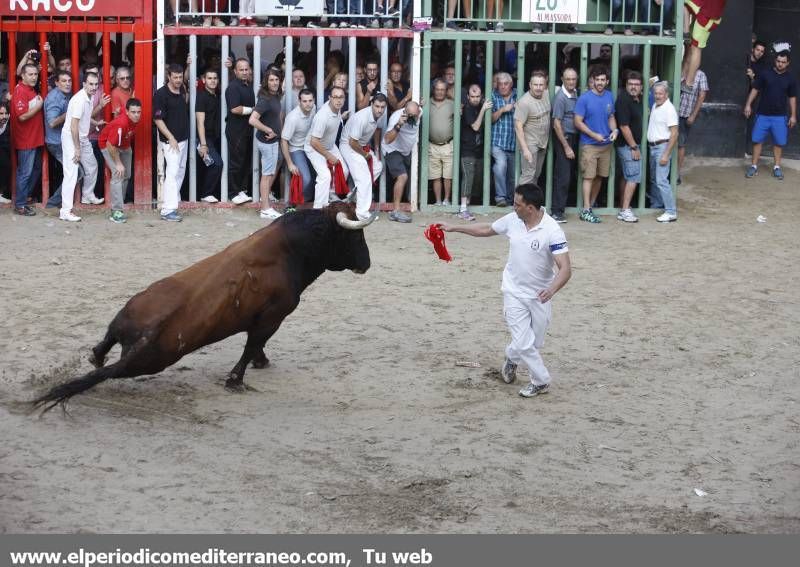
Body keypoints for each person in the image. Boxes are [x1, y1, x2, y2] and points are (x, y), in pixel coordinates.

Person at [440, 183, 571, 398]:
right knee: (524, 342)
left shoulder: (552, 231)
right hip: (513, 292)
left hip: (540, 296)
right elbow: (486, 229)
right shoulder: (513, 220)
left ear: (530, 208)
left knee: (533, 343)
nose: (513, 207)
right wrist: (454, 227)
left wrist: (552, 289)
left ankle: (511, 358)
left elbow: (565, 268)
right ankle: (541, 381)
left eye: (517, 204)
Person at [574, 66, 618, 224]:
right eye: (597, 80)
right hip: (590, 145)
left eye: (602, 80)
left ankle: (590, 207)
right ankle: (586, 209)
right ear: (592, 80)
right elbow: (577, 122)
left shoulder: (609, 96)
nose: (600, 82)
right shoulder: (584, 99)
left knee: (600, 176)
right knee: (588, 177)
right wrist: (593, 135)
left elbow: (611, 116)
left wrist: (615, 130)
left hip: (606, 144)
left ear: (607, 81)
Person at [744, 51, 797, 181]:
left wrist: (793, 115)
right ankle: (754, 166)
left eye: (783, 62)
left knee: (778, 143)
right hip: (762, 114)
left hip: (780, 117)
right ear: (775, 61)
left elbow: (792, 98)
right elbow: (755, 90)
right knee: (757, 141)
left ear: (788, 63)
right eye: (778, 61)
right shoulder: (765, 74)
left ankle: (777, 168)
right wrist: (748, 105)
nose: (780, 64)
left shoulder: (790, 78)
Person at [59, 71, 102, 222]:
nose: (94, 87)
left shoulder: (89, 98)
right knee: (71, 174)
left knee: (92, 166)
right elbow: (73, 127)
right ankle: (65, 211)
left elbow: (85, 118)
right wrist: (77, 148)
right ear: (84, 84)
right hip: (72, 137)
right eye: (90, 84)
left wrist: (96, 123)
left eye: (96, 84)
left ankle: (87, 195)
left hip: (81, 137)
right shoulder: (79, 100)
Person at [340, 93, 387, 221]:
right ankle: (362, 213)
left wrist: (374, 150)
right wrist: (365, 154)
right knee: (364, 178)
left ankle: (355, 194)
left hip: (360, 145)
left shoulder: (379, 115)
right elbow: (352, 142)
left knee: (378, 167)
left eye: (382, 107)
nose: (379, 110)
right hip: (349, 146)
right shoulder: (362, 117)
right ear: (371, 104)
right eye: (377, 106)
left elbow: (376, 130)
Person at [153, 63, 189, 222]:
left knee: (180, 171)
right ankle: (167, 210)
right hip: (170, 141)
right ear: (168, 77)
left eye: (180, 77)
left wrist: (187, 65)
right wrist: (171, 137)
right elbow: (158, 120)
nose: (178, 80)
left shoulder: (182, 89)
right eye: (175, 77)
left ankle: (173, 203)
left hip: (183, 139)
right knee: (172, 173)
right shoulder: (161, 95)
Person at [10, 63, 45, 216]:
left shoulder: (30, 90)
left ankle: (24, 198)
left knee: (35, 169)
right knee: (25, 172)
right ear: (22, 76)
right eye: (30, 74)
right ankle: (20, 205)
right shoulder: (20, 91)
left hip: (34, 138)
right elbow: (22, 116)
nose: (33, 77)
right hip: (26, 140)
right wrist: (39, 106)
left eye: (35, 74)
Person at [249, 68, 284, 220]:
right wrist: (268, 129)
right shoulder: (265, 99)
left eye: (276, 79)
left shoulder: (275, 95)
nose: (274, 82)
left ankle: (266, 204)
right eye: (271, 80)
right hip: (267, 142)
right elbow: (252, 119)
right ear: (266, 82)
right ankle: (265, 208)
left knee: (269, 174)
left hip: (273, 141)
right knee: (267, 175)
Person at [99, 98, 142, 223]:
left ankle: (119, 204)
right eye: (133, 112)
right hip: (108, 145)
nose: (136, 115)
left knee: (127, 175)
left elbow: (122, 107)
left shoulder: (127, 112)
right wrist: (118, 163)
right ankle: (116, 211)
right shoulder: (121, 123)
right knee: (118, 174)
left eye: (139, 112)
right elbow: (110, 145)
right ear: (127, 112)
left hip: (124, 145)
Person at [305, 86, 348, 209]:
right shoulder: (323, 116)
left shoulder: (337, 108)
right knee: (325, 176)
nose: (338, 100)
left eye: (341, 97)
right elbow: (314, 141)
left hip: (329, 144)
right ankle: (318, 209)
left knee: (344, 170)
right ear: (329, 98)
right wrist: (329, 156)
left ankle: (331, 194)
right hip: (313, 147)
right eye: (335, 97)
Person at [383, 100, 422, 223]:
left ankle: (409, 202)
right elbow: (387, 139)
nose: (412, 118)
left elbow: (422, 104)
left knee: (411, 176)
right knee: (402, 176)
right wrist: (399, 125)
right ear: (405, 111)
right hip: (392, 149)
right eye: (410, 115)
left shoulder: (420, 112)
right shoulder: (396, 117)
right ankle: (395, 211)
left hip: (406, 151)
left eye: (414, 115)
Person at [459, 85, 492, 221]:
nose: (475, 99)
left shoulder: (479, 106)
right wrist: (484, 109)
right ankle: (463, 209)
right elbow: (476, 126)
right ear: (467, 97)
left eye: (478, 96)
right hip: (467, 149)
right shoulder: (467, 108)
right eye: (472, 96)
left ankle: (468, 205)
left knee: (476, 179)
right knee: (468, 177)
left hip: (479, 149)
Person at [614, 71, 644, 223]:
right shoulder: (624, 100)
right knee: (633, 177)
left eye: (636, 85)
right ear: (626, 85)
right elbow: (624, 127)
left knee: (627, 176)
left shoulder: (636, 99)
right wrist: (634, 147)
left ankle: (623, 207)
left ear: (641, 87)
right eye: (630, 84)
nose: (633, 87)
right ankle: (625, 210)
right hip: (628, 146)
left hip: (629, 145)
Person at [647, 81, 679, 222]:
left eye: (660, 93)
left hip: (662, 148)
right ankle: (657, 205)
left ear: (666, 94)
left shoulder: (669, 109)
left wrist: (666, 154)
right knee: (655, 179)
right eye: (656, 93)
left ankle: (671, 211)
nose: (658, 96)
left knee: (661, 180)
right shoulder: (655, 105)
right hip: (653, 147)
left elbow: (674, 134)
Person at [551, 68, 579, 224]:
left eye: (573, 79)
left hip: (573, 137)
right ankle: (557, 211)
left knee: (569, 175)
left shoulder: (575, 93)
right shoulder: (560, 98)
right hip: (564, 138)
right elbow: (556, 124)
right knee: (563, 176)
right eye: (568, 79)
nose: (571, 82)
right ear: (562, 79)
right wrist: (566, 146)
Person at [226, 58, 255, 205]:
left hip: (248, 131)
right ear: (235, 71)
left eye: (246, 69)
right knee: (236, 162)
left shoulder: (248, 86)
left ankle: (241, 190)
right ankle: (232, 193)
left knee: (245, 162)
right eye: (241, 70)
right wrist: (253, 110)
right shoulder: (233, 87)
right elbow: (234, 108)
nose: (244, 72)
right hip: (236, 131)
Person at [43, 70, 75, 209]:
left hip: (62, 140)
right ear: (56, 82)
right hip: (56, 142)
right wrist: (68, 114)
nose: (67, 84)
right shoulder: (54, 98)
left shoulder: (66, 95)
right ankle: (52, 204)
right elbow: (52, 122)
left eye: (69, 81)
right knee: (75, 172)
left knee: (74, 171)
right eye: (64, 81)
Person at [281, 88, 317, 206]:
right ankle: (291, 204)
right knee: (305, 179)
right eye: (304, 101)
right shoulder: (292, 118)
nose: (308, 104)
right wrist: (290, 163)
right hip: (296, 149)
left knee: (318, 175)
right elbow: (284, 140)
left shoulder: (314, 109)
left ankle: (306, 204)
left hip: (310, 147)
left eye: (310, 101)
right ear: (299, 101)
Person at [514, 71, 551, 187]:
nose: (538, 88)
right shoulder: (524, 102)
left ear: (545, 85)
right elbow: (518, 126)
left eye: (541, 85)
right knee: (528, 175)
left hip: (542, 142)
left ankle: (531, 204)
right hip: (530, 144)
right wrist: (525, 149)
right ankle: (518, 204)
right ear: (530, 85)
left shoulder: (546, 93)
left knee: (536, 175)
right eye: (535, 85)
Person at [682, 0, 728, 90]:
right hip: (705, 9)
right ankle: (682, 77)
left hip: (709, 16)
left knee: (696, 48)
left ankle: (689, 83)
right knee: (691, 48)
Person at [195, 68, 224, 203]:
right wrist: (203, 144)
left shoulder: (216, 95)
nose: (213, 81)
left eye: (215, 78)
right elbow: (200, 122)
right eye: (210, 78)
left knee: (207, 167)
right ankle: (206, 194)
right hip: (204, 138)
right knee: (216, 164)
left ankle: (208, 194)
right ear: (203, 80)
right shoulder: (201, 96)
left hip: (215, 137)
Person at [491, 72, 517, 207]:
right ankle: (500, 198)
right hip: (497, 142)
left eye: (505, 84)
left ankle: (510, 199)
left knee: (513, 176)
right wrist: (502, 110)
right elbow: (489, 119)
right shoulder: (492, 96)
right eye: (500, 84)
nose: (502, 87)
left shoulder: (519, 95)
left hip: (514, 143)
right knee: (501, 166)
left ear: (511, 84)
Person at [677, 68, 708, 183]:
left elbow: (702, 96)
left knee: (680, 144)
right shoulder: (679, 70)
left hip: (685, 114)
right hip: (670, 113)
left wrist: (693, 115)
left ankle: (677, 173)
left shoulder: (700, 75)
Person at [428, 79, 454, 206]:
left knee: (448, 175)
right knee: (435, 175)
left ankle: (446, 200)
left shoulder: (452, 104)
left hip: (448, 144)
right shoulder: (426, 102)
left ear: (446, 91)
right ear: (434, 89)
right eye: (437, 89)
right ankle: (438, 201)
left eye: (442, 90)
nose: (439, 92)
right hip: (431, 145)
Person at [0, 103, 11, 204]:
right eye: (1, 113)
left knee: (6, 165)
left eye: (6, 113)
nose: (4, 116)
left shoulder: (8, 121)